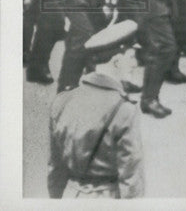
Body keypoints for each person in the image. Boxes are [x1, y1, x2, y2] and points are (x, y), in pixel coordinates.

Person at [48, 20, 145, 199]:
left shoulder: (62, 101)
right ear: (116, 61)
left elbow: (55, 170)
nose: (135, 64)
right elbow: (131, 179)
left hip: (70, 196)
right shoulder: (124, 110)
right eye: (131, 57)